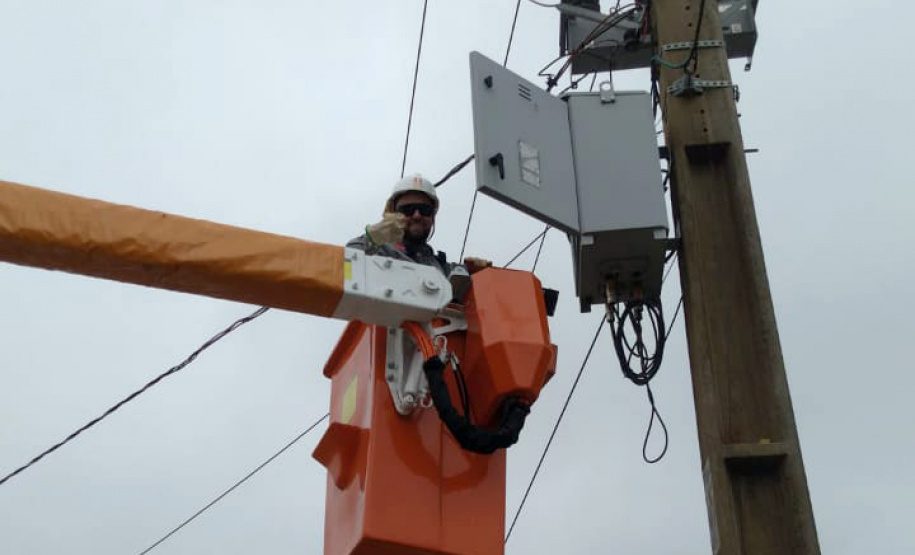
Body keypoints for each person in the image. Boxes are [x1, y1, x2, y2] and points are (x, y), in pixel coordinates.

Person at [347, 174, 490, 276]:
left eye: (424, 210)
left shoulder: (442, 269)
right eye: (407, 210)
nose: (417, 215)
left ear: (433, 217)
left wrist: (477, 274)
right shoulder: (377, 252)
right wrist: (375, 235)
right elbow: (346, 264)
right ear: (393, 215)